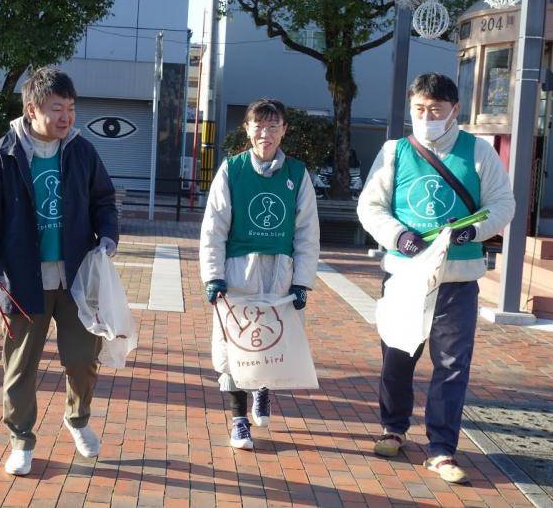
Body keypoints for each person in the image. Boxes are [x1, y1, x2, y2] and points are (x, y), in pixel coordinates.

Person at [357, 73, 515, 483]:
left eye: (435, 110)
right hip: (405, 276)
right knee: (397, 354)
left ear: (454, 111)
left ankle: (442, 449)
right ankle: (393, 427)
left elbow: (502, 203)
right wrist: (399, 236)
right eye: (420, 110)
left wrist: (471, 232)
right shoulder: (395, 151)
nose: (426, 117)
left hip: (458, 277)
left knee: (451, 365)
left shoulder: (478, 152)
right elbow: (370, 206)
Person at [0, 67, 118, 476]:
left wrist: (107, 237)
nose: (67, 116)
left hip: (75, 278)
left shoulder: (82, 151)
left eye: (71, 108)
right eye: (57, 108)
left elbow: (104, 201)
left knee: (83, 358)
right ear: (32, 108)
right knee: (20, 367)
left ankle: (78, 418)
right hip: (22, 281)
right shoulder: (0, 156)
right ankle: (21, 440)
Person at [199, 98, 320, 449]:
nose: (265, 133)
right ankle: (239, 421)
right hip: (238, 271)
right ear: (247, 129)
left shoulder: (296, 174)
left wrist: (301, 282)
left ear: (284, 129)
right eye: (258, 125)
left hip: (279, 272)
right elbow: (214, 227)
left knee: (271, 338)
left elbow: (307, 230)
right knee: (235, 344)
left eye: (273, 126)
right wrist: (213, 275)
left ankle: (262, 388)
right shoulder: (232, 170)